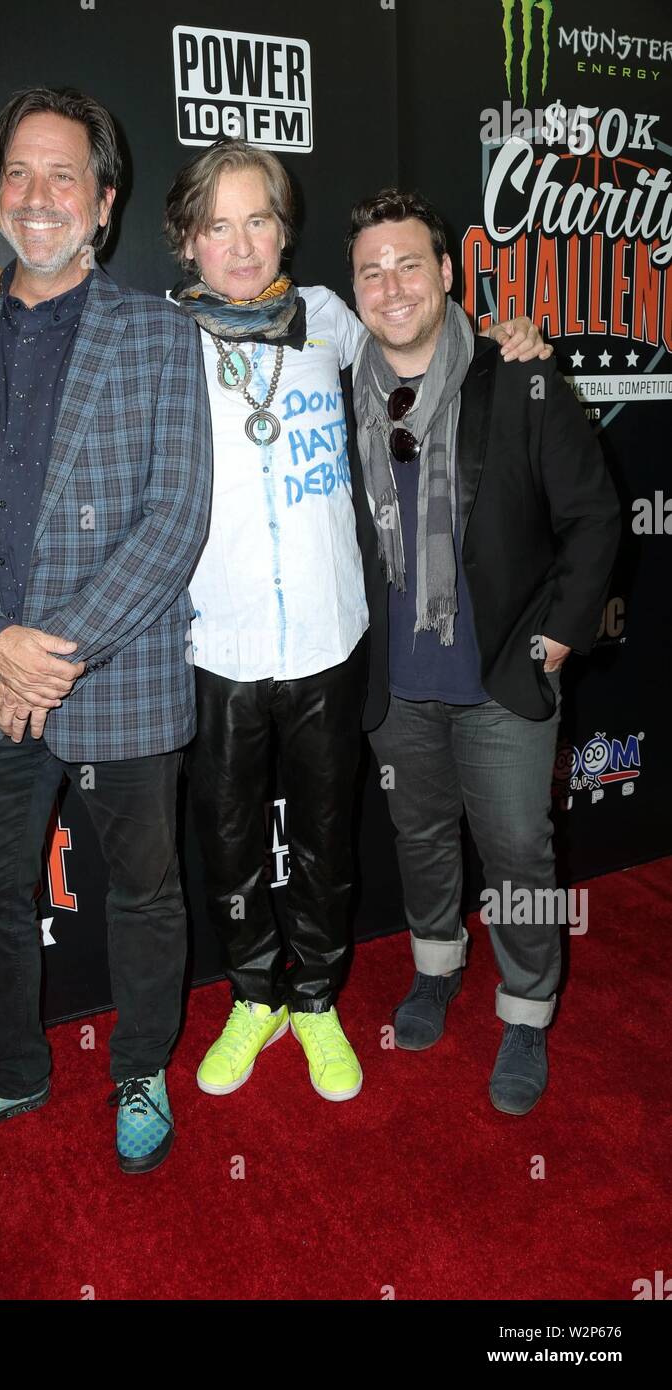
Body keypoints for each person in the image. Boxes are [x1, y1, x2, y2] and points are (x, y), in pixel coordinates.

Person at [0, 140, 548, 1106]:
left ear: (285, 228)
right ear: (186, 240)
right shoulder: (151, 337)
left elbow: (427, 346)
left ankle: (314, 998)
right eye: (218, 224)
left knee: (325, 840)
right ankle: (253, 996)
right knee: (227, 844)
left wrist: (503, 334)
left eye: (260, 219)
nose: (241, 243)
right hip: (213, 642)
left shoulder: (330, 319)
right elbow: (48, 323)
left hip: (330, 634)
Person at [0, 86, 212, 1174]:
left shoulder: (162, 335)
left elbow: (175, 518)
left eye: (62, 174)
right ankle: (13, 1068)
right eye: (18, 173)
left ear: (104, 201)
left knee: (144, 891)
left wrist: (49, 657)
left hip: (120, 686)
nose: (37, 196)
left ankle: (140, 1067)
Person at [347, 188, 620, 1114]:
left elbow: (592, 517)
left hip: (506, 672)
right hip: (398, 683)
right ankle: (435, 969)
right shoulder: (339, 389)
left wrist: (556, 639)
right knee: (421, 840)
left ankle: (530, 1007)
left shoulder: (521, 376)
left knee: (519, 853)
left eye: (409, 264)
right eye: (371, 271)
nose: (391, 286)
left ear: (446, 274)